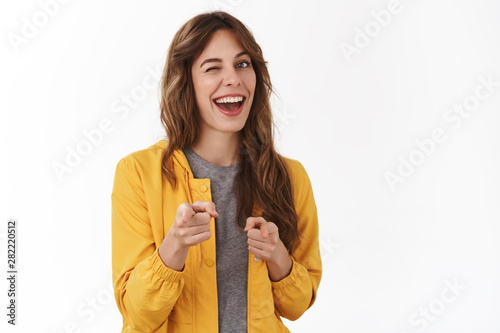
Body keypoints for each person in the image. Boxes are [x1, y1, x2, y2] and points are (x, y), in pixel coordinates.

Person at [111, 10, 321, 333]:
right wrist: (175, 245)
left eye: (242, 64)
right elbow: (137, 316)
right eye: (213, 68)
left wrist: (278, 256)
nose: (233, 79)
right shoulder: (137, 174)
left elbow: (297, 306)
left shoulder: (290, 178)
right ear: (186, 81)